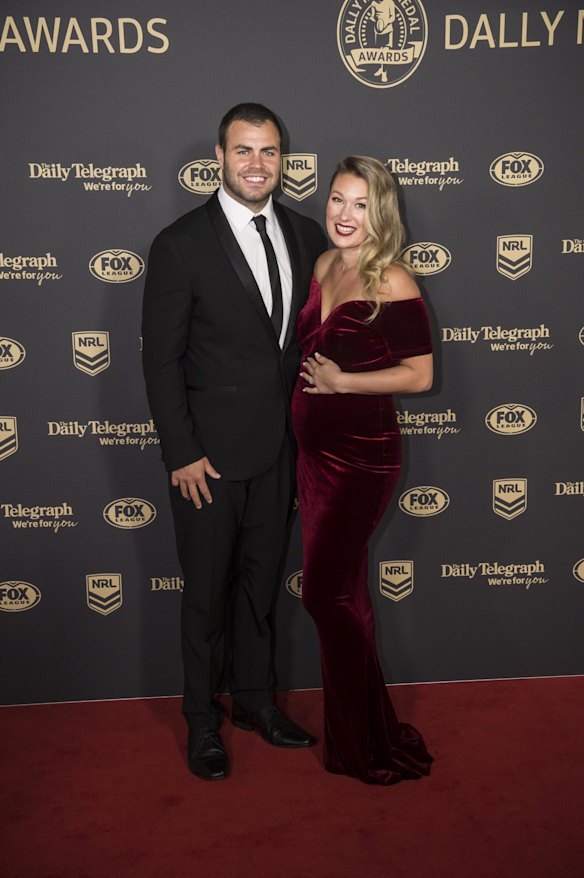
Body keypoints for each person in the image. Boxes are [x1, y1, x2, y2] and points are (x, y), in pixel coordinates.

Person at [142, 103, 328, 780]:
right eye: (244, 151)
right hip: (208, 462)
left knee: (259, 589)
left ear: (284, 159)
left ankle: (255, 703)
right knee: (205, 596)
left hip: (280, 452)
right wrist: (182, 452)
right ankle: (202, 720)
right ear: (219, 157)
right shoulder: (180, 243)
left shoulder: (306, 235)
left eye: (270, 152)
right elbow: (160, 361)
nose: (257, 164)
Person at [291, 155, 434, 785]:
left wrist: (344, 381)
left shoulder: (394, 280)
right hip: (312, 457)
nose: (345, 216)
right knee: (347, 593)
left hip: (361, 459)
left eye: (360, 205)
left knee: (324, 594)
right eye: (338, 200)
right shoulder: (324, 265)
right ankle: (363, 732)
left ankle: (365, 741)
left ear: (381, 214)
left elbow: (420, 375)